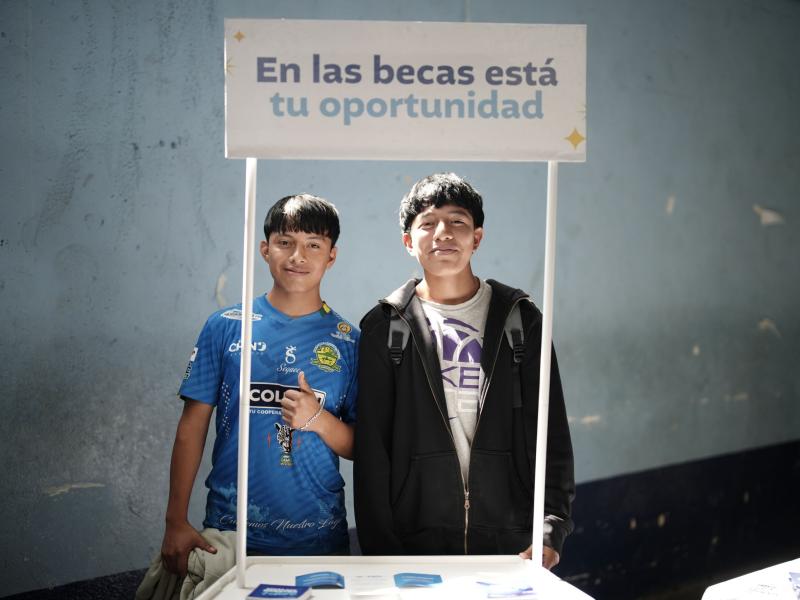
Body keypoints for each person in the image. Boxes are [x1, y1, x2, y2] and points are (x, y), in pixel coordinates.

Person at [137, 194, 358, 599]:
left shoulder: (349, 342)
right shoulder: (225, 327)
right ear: (265, 249)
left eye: (313, 244)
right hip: (230, 534)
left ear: (332, 256)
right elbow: (192, 427)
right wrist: (175, 521)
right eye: (285, 242)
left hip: (317, 537)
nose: (298, 255)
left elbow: (362, 447)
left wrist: (318, 420)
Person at [354, 173, 574, 569]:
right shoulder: (384, 328)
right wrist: (381, 553)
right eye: (428, 223)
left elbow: (551, 432)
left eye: (458, 221)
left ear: (477, 238)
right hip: (414, 543)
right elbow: (373, 452)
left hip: (512, 542)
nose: (443, 233)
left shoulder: (522, 321)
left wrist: (549, 528)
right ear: (408, 242)